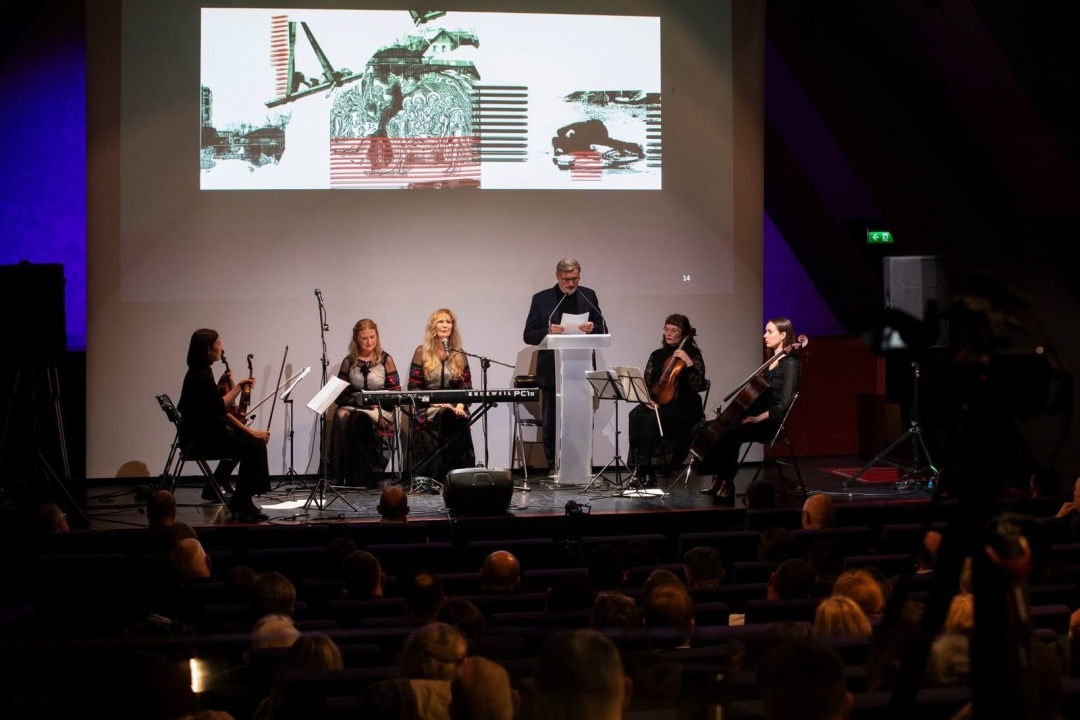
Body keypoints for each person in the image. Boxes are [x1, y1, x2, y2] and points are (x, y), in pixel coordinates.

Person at [695, 317, 801, 505]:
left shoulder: (791, 364)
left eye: (770, 331)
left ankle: (727, 484)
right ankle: (719, 477)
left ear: (783, 335)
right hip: (753, 417)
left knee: (729, 435)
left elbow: (783, 405)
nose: (765, 335)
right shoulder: (770, 363)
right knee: (706, 427)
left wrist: (757, 419)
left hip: (769, 422)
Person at [522, 258, 606, 473]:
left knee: (580, 420)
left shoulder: (588, 295)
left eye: (575, 279)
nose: (571, 284)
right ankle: (554, 466)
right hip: (552, 371)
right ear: (558, 276)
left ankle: (581, 467)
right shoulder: (541, 299)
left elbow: (604, 328)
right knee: (552, 421)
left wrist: (593, 328)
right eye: (566, 279)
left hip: (581, 370)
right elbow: (528, 335)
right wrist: (548, 330)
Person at [177, 328, 270, 521]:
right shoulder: (201, 376)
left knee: (248, 442)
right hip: (202, 441)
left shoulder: (199, 372)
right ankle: (243, 501)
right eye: (219, 343)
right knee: (255, 445)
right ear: (208, 349)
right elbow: (221, 412)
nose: (222, 347)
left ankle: (240, 497)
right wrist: (251, 432)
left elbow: (216, 405)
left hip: (200, 436)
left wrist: (238, 386)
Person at [627, 314, 705, 487]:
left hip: (683, 405)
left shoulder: (693, 355)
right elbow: (647, 383)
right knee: (636, 414)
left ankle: (644, 468)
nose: (669, 333)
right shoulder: (656, 355)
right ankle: (644, 467)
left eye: (674, 331)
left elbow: (697, 386)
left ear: (684, 334)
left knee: (652, 418)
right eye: (667, 329)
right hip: (659, 401)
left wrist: (688, 362)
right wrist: (647, 400)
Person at [328, 318, 401, 487]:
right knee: (340, 415)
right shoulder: (349, 361)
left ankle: (361, 474)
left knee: (358, 418)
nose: (369, 342)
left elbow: (396, 391)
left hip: (379, 407)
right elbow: (340, 394)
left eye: (372, 337)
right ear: (356, 339)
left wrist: (375, 402)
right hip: (355, 403)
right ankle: (337, 473)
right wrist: (356, 402)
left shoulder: (385, 360)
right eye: (364, 338)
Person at [407, 308, 475, 483]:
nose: (445, 325)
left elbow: (466, 387)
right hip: (428, 407)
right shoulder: (421, 352)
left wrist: (460, 405)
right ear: (433, 327)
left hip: (455, 406)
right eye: (441, 321)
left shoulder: (459, 354)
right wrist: (435, 404)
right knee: (445, 415)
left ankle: (458, 476)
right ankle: (437, 475)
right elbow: (414, 388)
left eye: (448, 322)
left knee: (457, 416)